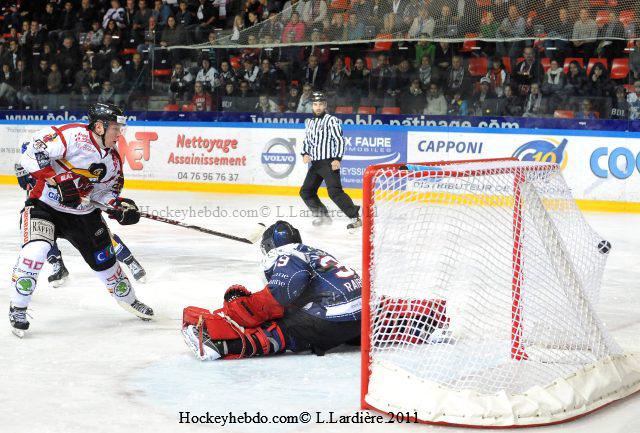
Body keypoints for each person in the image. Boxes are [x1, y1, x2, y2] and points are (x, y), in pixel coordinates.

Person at [9, 103, 154, 337]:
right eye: (116, 128)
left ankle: (130, 300)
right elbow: (32, 154)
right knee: (35, 252)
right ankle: (18, 307)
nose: (120, 134)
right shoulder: (72, 136)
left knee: (106, 264)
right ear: (99, 126)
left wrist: (117, 206)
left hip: (83, 216)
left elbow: (104, 193)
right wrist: (57, 180)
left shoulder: (113, 160)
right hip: (45, 207)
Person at [181, 221, 362, 360]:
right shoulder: (314, 252)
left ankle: (220, 345)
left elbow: (290, 282)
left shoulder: (284, 253)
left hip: (332, 316)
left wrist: (249, 307)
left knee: (279, 329)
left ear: (268, 246)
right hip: (362, 320)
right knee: (293, 317)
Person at [14, 163, 148, 286]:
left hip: (80, 212)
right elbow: (27, 183)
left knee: (105, 239)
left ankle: (130, 261)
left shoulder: (68, 158)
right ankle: (57, 264)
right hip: (52, 209)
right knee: (45, 235)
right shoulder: (34, 162)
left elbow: (93, 188)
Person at [300, 92, 361, 230]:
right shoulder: (309, 122)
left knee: (334, 192)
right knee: (306, 192)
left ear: (325, 105)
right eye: (315, 104)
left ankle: (356, 217)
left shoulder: (331, 120)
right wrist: (304, 153)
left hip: (328, 162)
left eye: (320, 104)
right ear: (312, 106)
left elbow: (339, 140)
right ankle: (323, 217)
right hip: (315, 164)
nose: (318, 107)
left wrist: (337, 159)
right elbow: (307, 140)